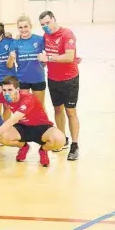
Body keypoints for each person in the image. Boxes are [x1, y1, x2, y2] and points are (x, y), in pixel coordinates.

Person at [0, 76, 65, 167]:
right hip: (23, 127)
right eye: (4, 90)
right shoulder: (4, 96)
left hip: (41, 127)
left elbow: (13, 120)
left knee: (60, 140)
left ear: (17, 89)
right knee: (3, 137)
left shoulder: (27, 99)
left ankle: (43, 150)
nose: (6, 93)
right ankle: (24, 146)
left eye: (10, 89)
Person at [37, 10, 80, 160]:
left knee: (71, 112)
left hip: (69, 79)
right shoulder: (46, 36)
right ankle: (63, 139)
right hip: (53, 79)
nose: (46, 27)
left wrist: (48, 57)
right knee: (57, 109)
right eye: (42, 25)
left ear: (54, 20)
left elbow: (69, 57)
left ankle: (75, 145)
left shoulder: (67, 34)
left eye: (48, 23)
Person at [9, 15, 46, 108]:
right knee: (24, 107)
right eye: (20, 27)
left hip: (38, 78)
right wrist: (10, 58)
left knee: (39, 107)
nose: (23, 29)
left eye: (26, 26)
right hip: (22, 79)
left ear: (30, 26)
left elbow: (49, 54)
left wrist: (45, 61)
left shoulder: (40, 39)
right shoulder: (15, 43)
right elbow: (9, 65)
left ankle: (43, 123)